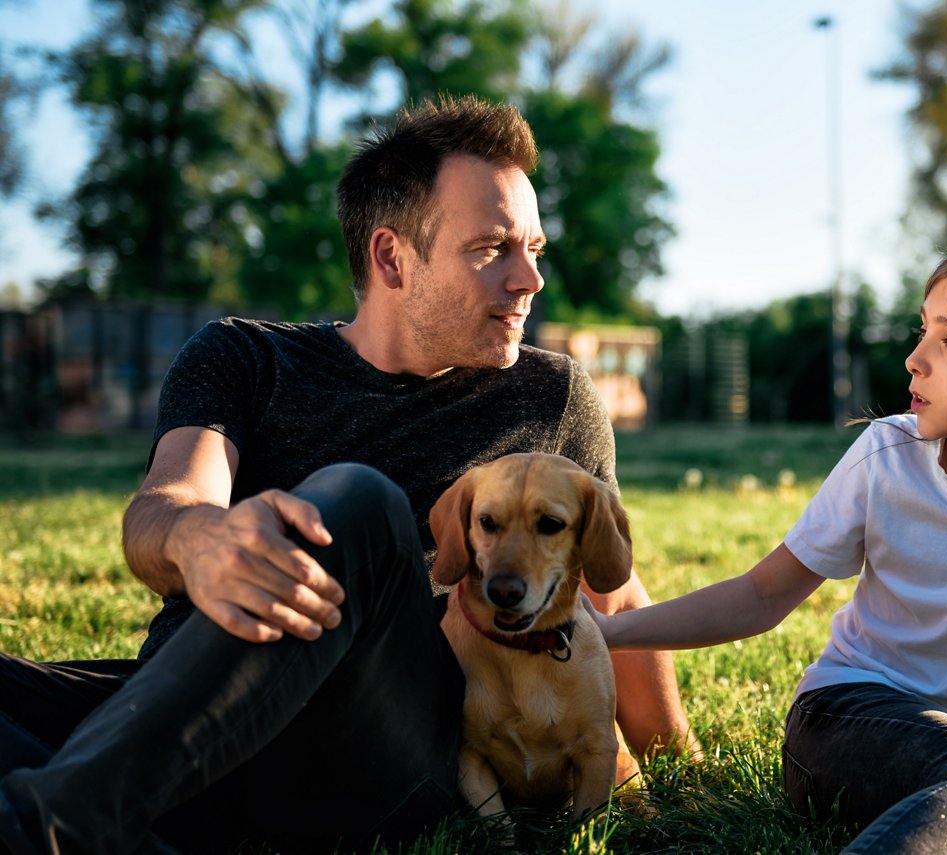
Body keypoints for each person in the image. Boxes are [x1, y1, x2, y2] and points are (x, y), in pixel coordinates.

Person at [0, 95, 695, 854]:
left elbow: (608, 590)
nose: (529, 278)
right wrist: (201, 538)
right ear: (392, 256)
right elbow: (164, 507)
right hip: (190, 707)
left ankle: (59, 828)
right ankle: (127, 818)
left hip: (384, 746)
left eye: (534, 248)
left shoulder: (553, 396)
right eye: (493, 248)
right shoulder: (242, 355)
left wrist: (681, 768)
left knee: (357, 500)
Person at [591, 232, 947, 854]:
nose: (915, 359)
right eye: (922, 332)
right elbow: (761, 595)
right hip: (846, 724)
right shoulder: (887, 456)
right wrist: (607, 633)